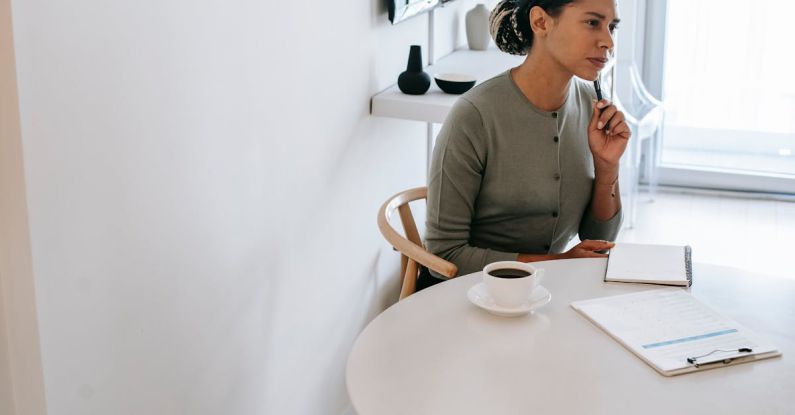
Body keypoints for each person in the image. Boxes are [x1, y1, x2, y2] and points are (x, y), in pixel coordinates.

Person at [421, 0, 631, 289]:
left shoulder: (592, 106)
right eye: (592, 23)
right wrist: (557, 264)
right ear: (541, 22)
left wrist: (608, 165)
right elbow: (444, 255)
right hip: (468, 296)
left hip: (545, 293)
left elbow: (598, 238)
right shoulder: (475, 115)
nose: (608, 42)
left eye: (612, 27)